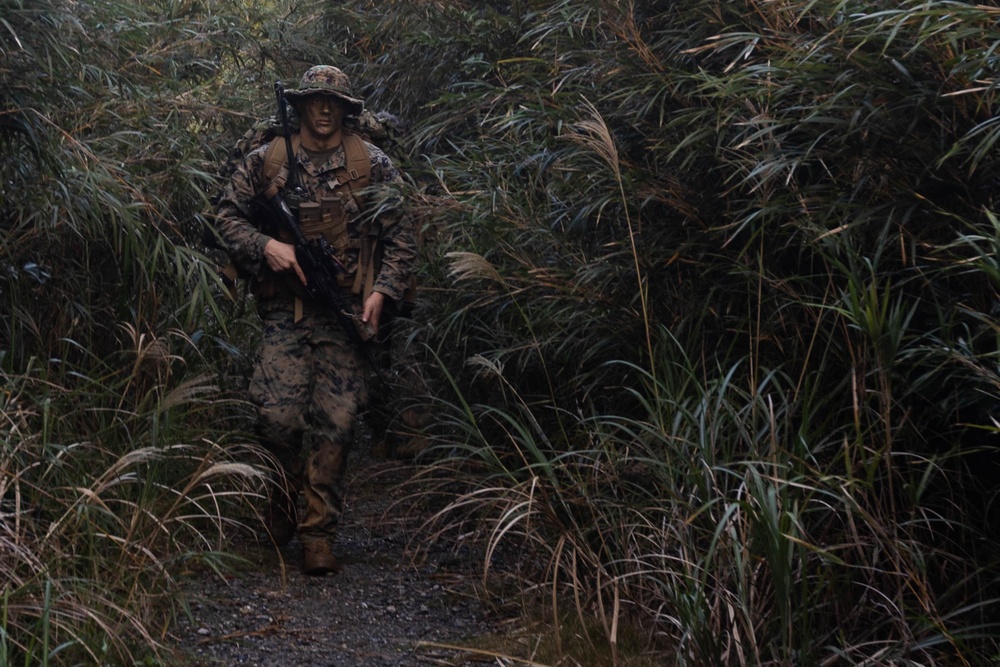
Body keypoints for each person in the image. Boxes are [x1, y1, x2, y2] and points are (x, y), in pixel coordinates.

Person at [215, 65, 417, 575]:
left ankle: (318, 532)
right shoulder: (269, 159)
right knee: (275, 419)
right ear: (301, 105)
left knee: (338, 422)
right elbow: (224, 217)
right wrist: (267, 245)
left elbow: (402, 235)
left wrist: (382, 291)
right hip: (285, 310)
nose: (324, 110)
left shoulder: (373, 165)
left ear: (346, 109)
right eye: (316, 101)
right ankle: (282, 499)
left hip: (345, 311)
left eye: (335, 102)